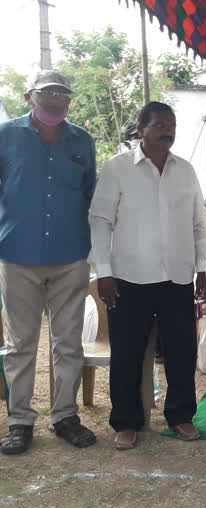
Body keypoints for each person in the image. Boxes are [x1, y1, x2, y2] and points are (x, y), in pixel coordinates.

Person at [89, 102, 206, 450]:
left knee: (182, 349)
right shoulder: (117, 169)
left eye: (171, 125)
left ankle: (181, 416)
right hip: (128, 277)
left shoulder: (184, 170)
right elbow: (100, 221)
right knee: (127, 352)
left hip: (177, 278)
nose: (166, 131)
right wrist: (104, 273)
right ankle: (126, 422)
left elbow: (198, 225)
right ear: (141, 129)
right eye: (158, 124)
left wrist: (201, 270)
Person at [0, 70, 97, 455]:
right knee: (21, 344)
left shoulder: (82, 141)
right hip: (17, 255)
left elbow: (90, 191)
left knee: (68, 343)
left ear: (69, 101)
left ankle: (65, 417)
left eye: (62, 93)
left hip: (69, 256)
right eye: (47, 92)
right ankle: (20, 421)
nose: (55, 99)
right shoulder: (6, 136)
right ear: (30, 98)